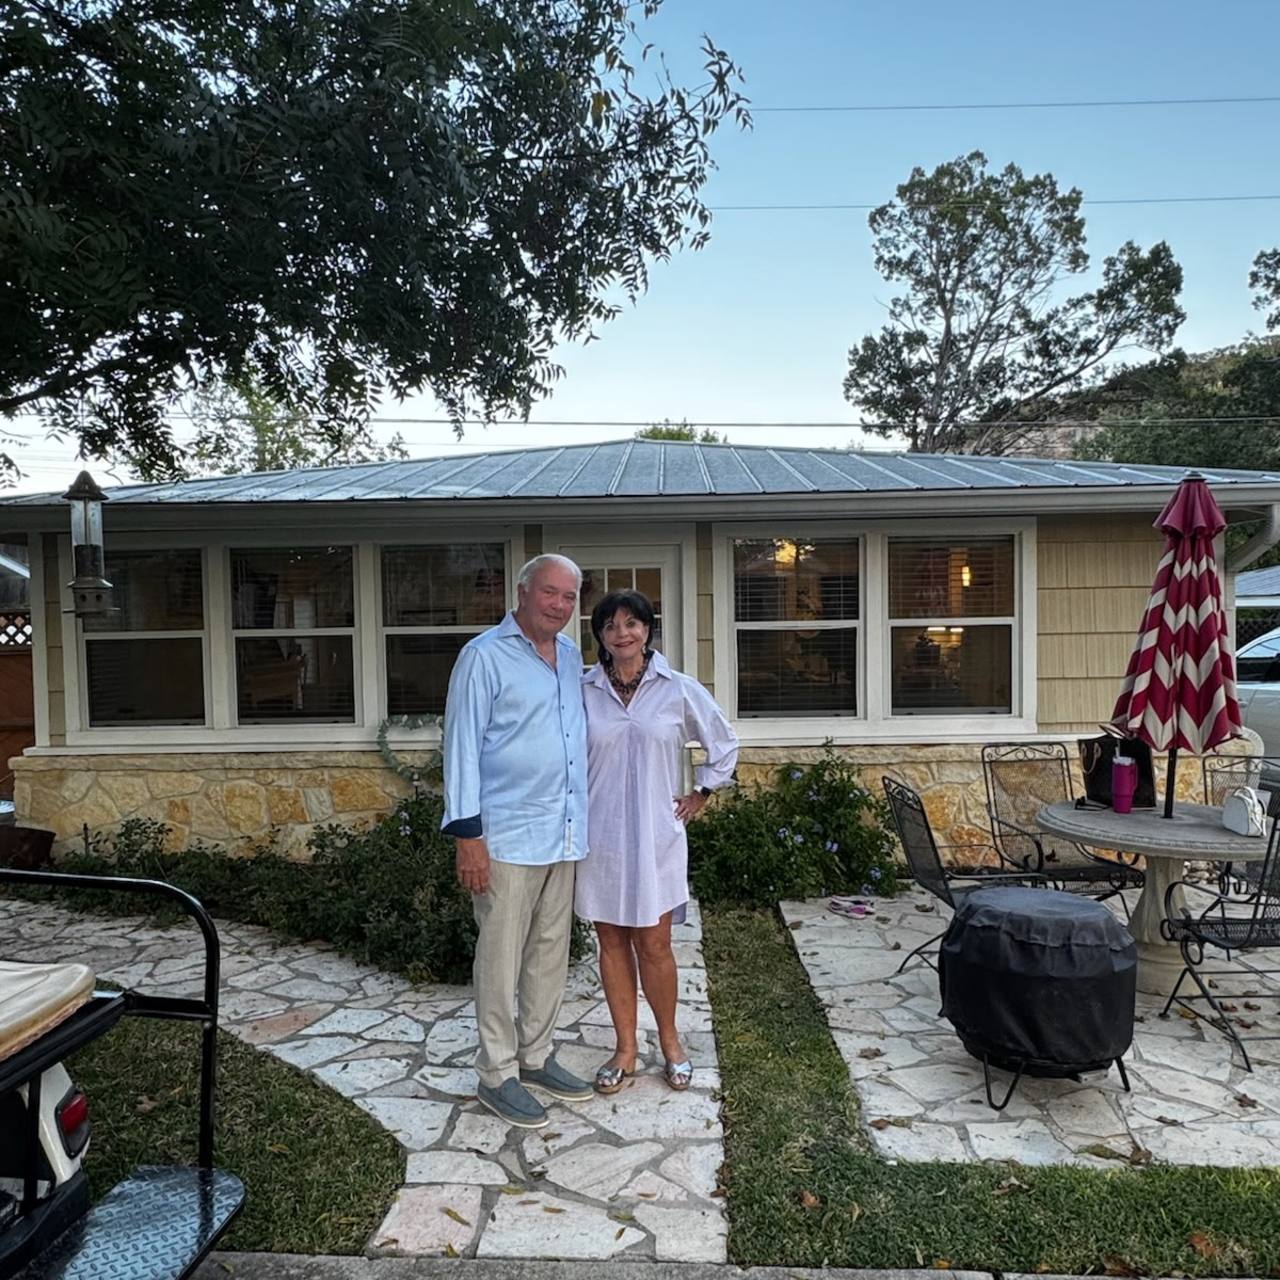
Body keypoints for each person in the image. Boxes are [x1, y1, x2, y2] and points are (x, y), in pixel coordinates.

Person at [441, 553, 594, 1128]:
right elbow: (459, 748)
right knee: (500, 958)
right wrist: (467, 836)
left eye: (569, 597)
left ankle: (535, 1056)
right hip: (505, 836)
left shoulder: (572, 656)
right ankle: (496, 1072)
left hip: (563, 832)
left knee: (549, 954)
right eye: (551, 593)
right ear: (524, 592)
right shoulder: (483, 656)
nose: (560, 605)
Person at [576, 588, 738, 1094]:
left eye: (632, 623)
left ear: (648, 629)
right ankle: (625, 1048)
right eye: (609, 626)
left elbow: (723, 742)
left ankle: (670, 1041)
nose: (621, 633)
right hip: (598, 835)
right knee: (611, 942)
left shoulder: (677, 688)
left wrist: (702, 793)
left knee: (654, 942)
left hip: (656, 836)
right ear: (599, 635)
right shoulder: (582, 689)